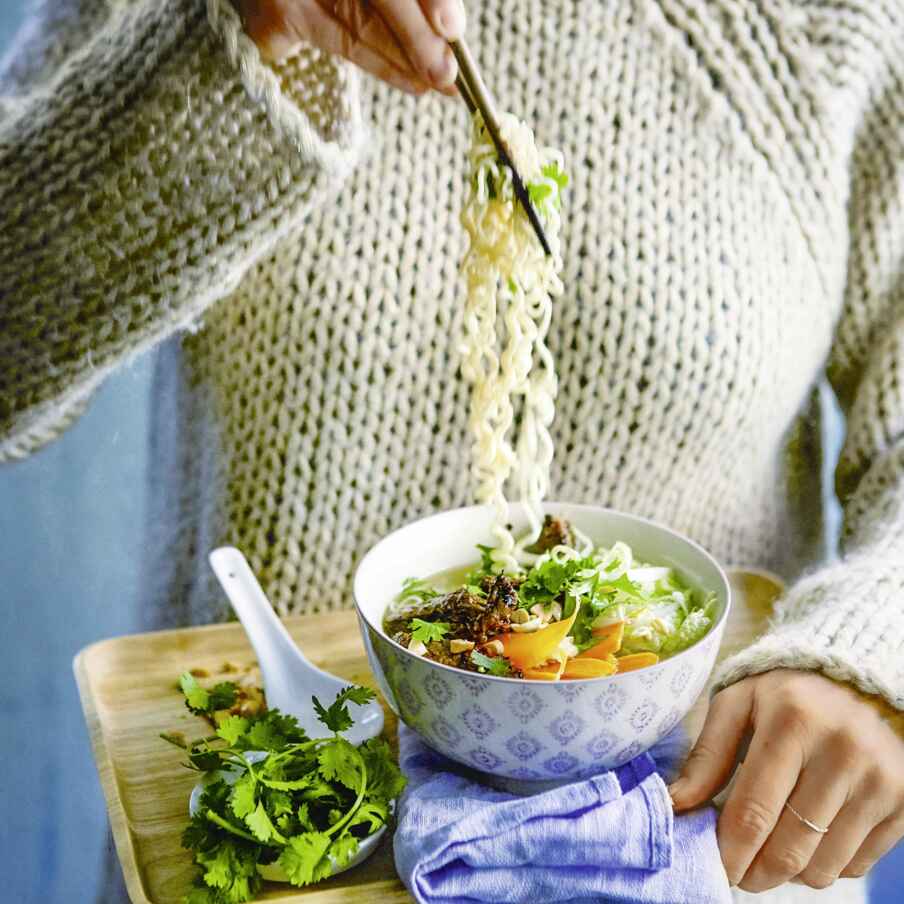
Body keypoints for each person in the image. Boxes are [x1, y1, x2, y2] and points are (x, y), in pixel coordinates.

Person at [2, 1, 903, 901]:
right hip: (281, 848)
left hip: (712, 841)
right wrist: (233, 35)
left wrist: (876, 642)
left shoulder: (841, 26)